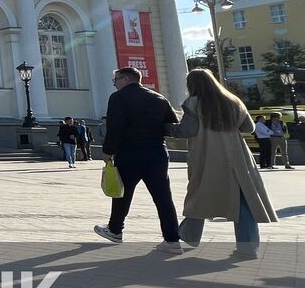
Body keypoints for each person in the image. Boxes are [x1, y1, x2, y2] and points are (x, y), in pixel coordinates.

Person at [166, 69, 276, 258]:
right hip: (238, 156)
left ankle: (187, 235)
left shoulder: (193, 103)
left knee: (200, 193)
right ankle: (248, 247)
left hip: (207, 155)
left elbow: (187, 130)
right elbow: (248, 128)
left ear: (191, 85)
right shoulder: (233, 101)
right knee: (243, 200)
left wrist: (165, 126)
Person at [94, 66, 182, 252]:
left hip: (130, 153)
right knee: (163, 197)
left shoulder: (118, 97)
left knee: (122, 193)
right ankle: (172, 240)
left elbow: (115, 126)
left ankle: (115, 230)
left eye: (116, 80)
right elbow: (172, 122)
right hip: (157, 153)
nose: (114, 84)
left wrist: (108, 151)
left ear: (125, 79)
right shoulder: (158, 97)